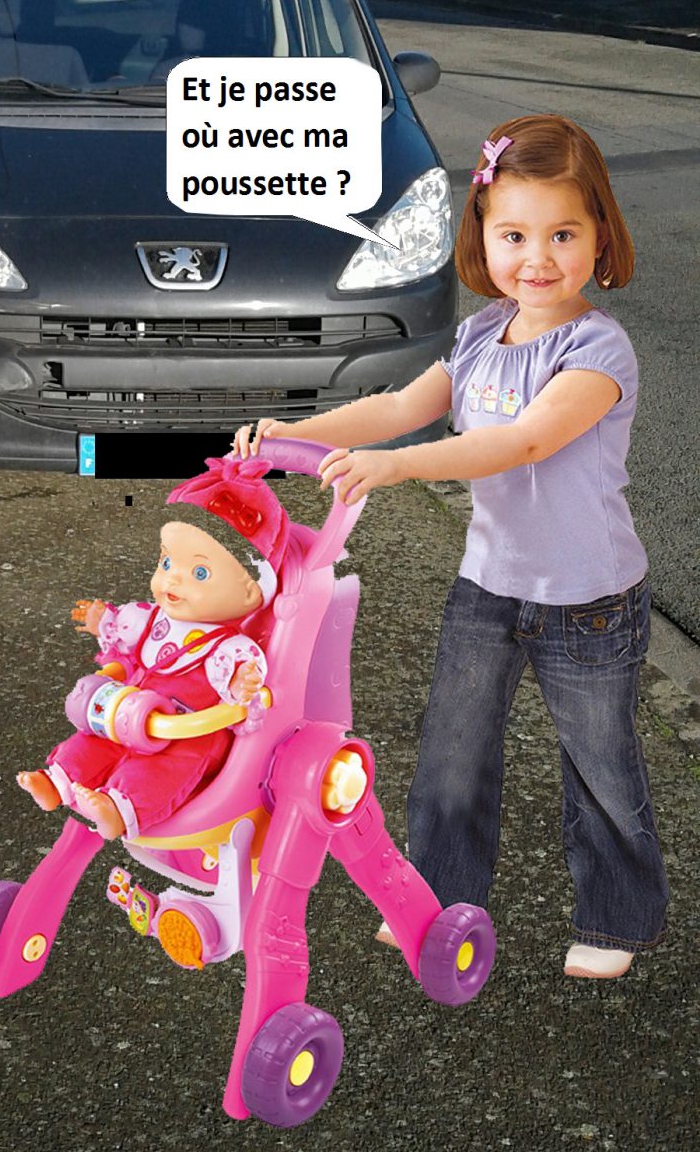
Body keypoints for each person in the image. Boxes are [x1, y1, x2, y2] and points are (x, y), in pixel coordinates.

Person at [233, 114, 668, 980]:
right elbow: (399, 407)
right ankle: (431, 894)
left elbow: (523, 441)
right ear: (483, 236)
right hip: (488, 586)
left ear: (600, 234)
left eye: (563, 234)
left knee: (600, 766)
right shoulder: (477, 337)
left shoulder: (598, 348)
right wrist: (295, 434)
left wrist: (398, 467)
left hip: (589, 599)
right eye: (514, 235)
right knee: (452, 752)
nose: (537, 257)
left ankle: (617, 917)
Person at [17, 455, 290, 840]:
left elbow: (243, 678)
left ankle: (120, 808)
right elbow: (125, 637)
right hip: (132, 712)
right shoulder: (150, 618)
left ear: (249, 592)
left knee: (163, 769)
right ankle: (58, 781)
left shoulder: (229, 647)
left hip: (187, 734)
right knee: (94, 740)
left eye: (199, 573)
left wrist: (241, 682)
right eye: (166, 562)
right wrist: (103, 622)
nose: (172, 579)